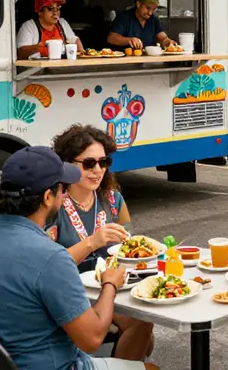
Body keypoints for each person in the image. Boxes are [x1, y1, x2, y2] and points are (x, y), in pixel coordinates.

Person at [0, 145, 157, 370]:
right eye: (62, 188)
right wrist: (110, 284)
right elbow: (92, 338)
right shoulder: (50, 257)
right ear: (48, 197)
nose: (65, 191)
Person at [50, 125, 154, 363]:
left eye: (103, 161)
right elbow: (50, 265)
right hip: (71, 290)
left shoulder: (113, 199)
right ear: (68, 165)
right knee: (141, 329)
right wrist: (92, 241)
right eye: (88, 163)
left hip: (112, 286)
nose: (97, 170)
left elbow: (130, 246)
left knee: (144, 316)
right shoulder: (54, 204)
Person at [17, 0, 84, 60]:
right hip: (37, 68)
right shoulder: (29, 26)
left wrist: (82, 55)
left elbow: (75, 40)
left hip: (61, 66)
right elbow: (20, 53)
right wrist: (39, 47)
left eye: (58, 8)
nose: (55, 12)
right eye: (50, 9)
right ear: (40, 12)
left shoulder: (62, 23)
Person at [107, 0, 178, 51]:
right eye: (148, 8)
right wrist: (129, 40)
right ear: (138, 4)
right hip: (125, 61)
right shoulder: (124, 17)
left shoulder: (153, 19)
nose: (150, 13)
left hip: (148, 61)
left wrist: (169, 42)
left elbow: (162, 38)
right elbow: (111, 38)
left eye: (153, 9)